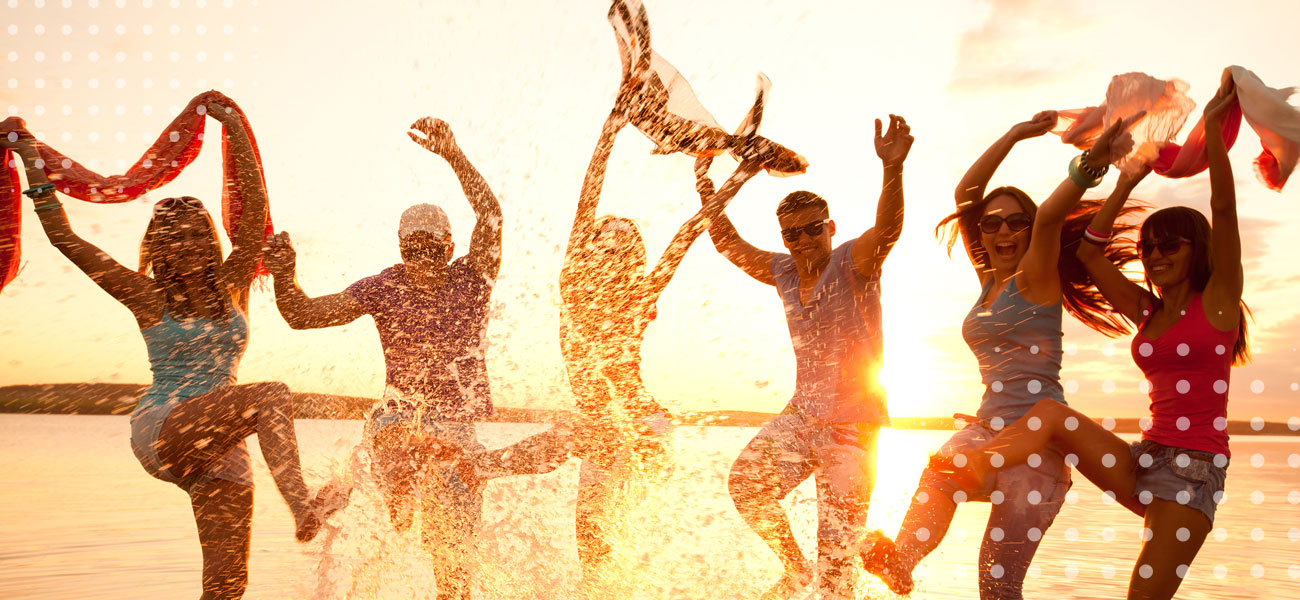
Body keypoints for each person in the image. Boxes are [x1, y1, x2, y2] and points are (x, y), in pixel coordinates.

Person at [2, 98, 337, 600]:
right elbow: (65, 238)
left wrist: (233, 126)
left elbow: (254, 210)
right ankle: (303, 508)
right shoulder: (146, 296)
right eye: (176, 238)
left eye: (198, 235)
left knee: (227, 588)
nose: (190, 245)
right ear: (159, 247)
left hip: (221, 439)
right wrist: (31, 158)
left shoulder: (233, 283)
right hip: (166, 426)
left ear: (211, 240)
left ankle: (298, 512)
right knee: (271, 395)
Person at [946, 76, 1248, 600]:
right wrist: (1125, 181)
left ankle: (979, 462)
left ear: (1197, 249)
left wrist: (1216, 134)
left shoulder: (1218, 302)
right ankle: (976, 463)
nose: (1155, 256)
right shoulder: (1148, 311)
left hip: (1193, 473)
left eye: (1170, 245)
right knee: (1050, 414)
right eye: (1149, 248)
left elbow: (1222, 208)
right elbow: (1089, 253)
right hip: (1143, 459)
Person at [264, 117, 567, 600]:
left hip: (457, 435)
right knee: (397, 436)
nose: (422, 260)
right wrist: (284, 274)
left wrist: (454, 154)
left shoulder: (473, 277)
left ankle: (363, 493)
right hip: (398, 419)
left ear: (449, 248)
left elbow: (491, 215)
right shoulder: (384, 286)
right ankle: (387, 490)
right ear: (401, 248)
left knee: (454, 578)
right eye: (413, 249)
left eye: (432, 249)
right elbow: (302, 315)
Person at [858, 111, 1143, 599]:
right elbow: (966, 196)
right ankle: (900, 563)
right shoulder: (989, 280)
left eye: (1016, 222)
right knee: (942, 468)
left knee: (997, 587)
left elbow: (1051, 217)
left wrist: (1091, 165)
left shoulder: (1037, 277)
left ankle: (914, 564)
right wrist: (1015, 133)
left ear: (1031, 231)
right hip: (986, 431)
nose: (1003, 231)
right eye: (992, 223)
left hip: (1039, 446)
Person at [694, 114, 912, 600]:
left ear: (830, 227)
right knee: (746, 485)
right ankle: (795, 569)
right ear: (784, 239)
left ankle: (855, 549)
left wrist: (892, 168)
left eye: (813, 229)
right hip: (801, 417)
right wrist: (705, 187)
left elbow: (888, 229)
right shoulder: (784, 272)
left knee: (836, 571)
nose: (804, 241)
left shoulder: (852, 262)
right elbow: (728, 244)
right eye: (793, 235)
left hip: (852, 429)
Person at [560, 94, 762, 588]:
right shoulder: (574, 284)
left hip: (640, 427)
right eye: (605, 241)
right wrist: (609, 132)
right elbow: (588, 199)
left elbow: (689, 231)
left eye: (622, 246)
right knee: (594, 541)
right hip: (610, 426)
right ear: (590, 249)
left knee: (597, 531)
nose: (611, 249)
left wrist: (737, 176)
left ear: (632, 259)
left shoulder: (635, 293)